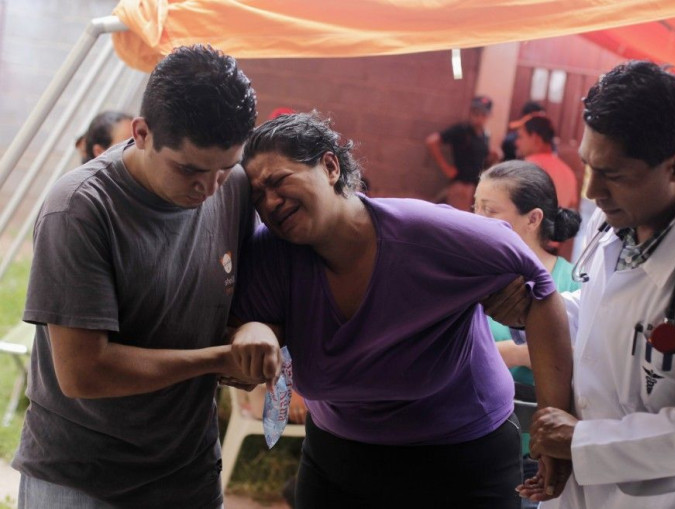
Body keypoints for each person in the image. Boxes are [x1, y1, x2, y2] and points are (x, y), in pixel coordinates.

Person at [229, 112, 573, 508]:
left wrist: (551, 429)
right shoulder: (272, 255)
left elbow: (542, 289)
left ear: (329, 166)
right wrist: (254, 330)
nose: (270, 202)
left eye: (279, 181)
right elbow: (244, 325)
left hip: (461, 458)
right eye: (258, 195)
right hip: (338, 457)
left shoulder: (426, 235)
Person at [13, 45, 259, 508]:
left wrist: (254, 331)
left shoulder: (235, 187)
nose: (207, 189)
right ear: (141, 133)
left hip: (189, 473)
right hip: (82, 479)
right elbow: (84, 373)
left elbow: (243, 297)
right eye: (188, 169)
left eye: (223, 169)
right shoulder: (81, 209)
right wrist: (218, 359)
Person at [518, 61, 675, 509]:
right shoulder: (619, 214)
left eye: (613, 174)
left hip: (662, 497)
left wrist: (583, 440)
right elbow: (602, 307)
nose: (593, 189)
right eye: (587, 166)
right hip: (578, 489)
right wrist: (538, 305)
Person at [474, 160, 581, 506]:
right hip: (478, 441)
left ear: (533, 219)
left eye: (489, 211)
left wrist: (512, 350)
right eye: (474, 207)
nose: (475, 219)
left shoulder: (571, 281)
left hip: (540, 450)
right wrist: (532, 350)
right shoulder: (469, 277)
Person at [426, 95, 495, 211]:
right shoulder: (461, 130)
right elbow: (432, 141)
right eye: (476, 113)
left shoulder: (484, 135)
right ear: (471, 113)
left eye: (483, 114)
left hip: (475, 187)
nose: (479, 118)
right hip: (461, 185)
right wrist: (446, 168)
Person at [514, 115, 578, 211]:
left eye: (520, 137)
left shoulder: (528, 167)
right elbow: (572, 206)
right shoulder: (568, 173)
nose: (517, 142)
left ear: (536, 139)